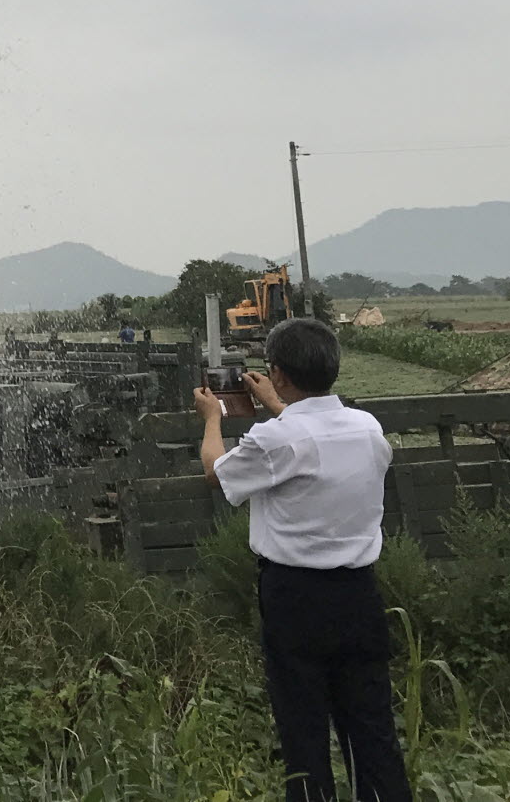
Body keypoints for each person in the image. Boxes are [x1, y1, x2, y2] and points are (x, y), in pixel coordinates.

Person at [196, 318, 410, 802]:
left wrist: (212, 416)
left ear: (279, 373)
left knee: (304, 727)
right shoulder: (366, 428)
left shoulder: (276, 440)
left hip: (295, 597)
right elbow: (311, 438)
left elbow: (216, 472)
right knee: (372, 727)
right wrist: (279, 405)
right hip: (359, 592)